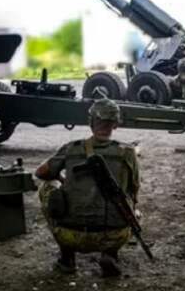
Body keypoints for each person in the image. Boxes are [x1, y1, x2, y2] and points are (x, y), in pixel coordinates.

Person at [35, 98, 140, 276]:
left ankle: (67, 258)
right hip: (113, 235)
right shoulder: (128, 152)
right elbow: (134, 189)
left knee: (47, 187)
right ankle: (110, 254)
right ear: (115, 124)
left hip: (70, 234)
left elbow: (41, 173)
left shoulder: (71, 148)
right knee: (133, 207)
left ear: (90, 122)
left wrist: (61, 179)